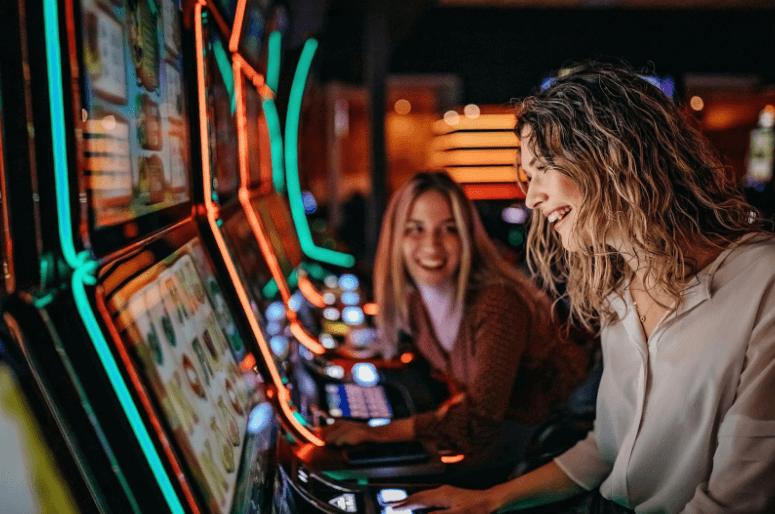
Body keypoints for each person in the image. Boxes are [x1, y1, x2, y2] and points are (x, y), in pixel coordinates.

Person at [393, 61, 775, 514]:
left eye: (541, 169)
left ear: (608, 155)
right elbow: (609, 449)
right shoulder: (617, 288)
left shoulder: (762, 283)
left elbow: (736, 501)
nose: (531, 197)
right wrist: (490, 501)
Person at [323, 171, 589, 477]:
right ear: (396, 238)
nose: (432, 245)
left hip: (558, 447)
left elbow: (480, 422)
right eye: (415, 229)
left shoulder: (497, 302)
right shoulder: (414, 305)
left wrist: (379, 432)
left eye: (448, 229)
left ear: (466, 236)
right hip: (513, 440)